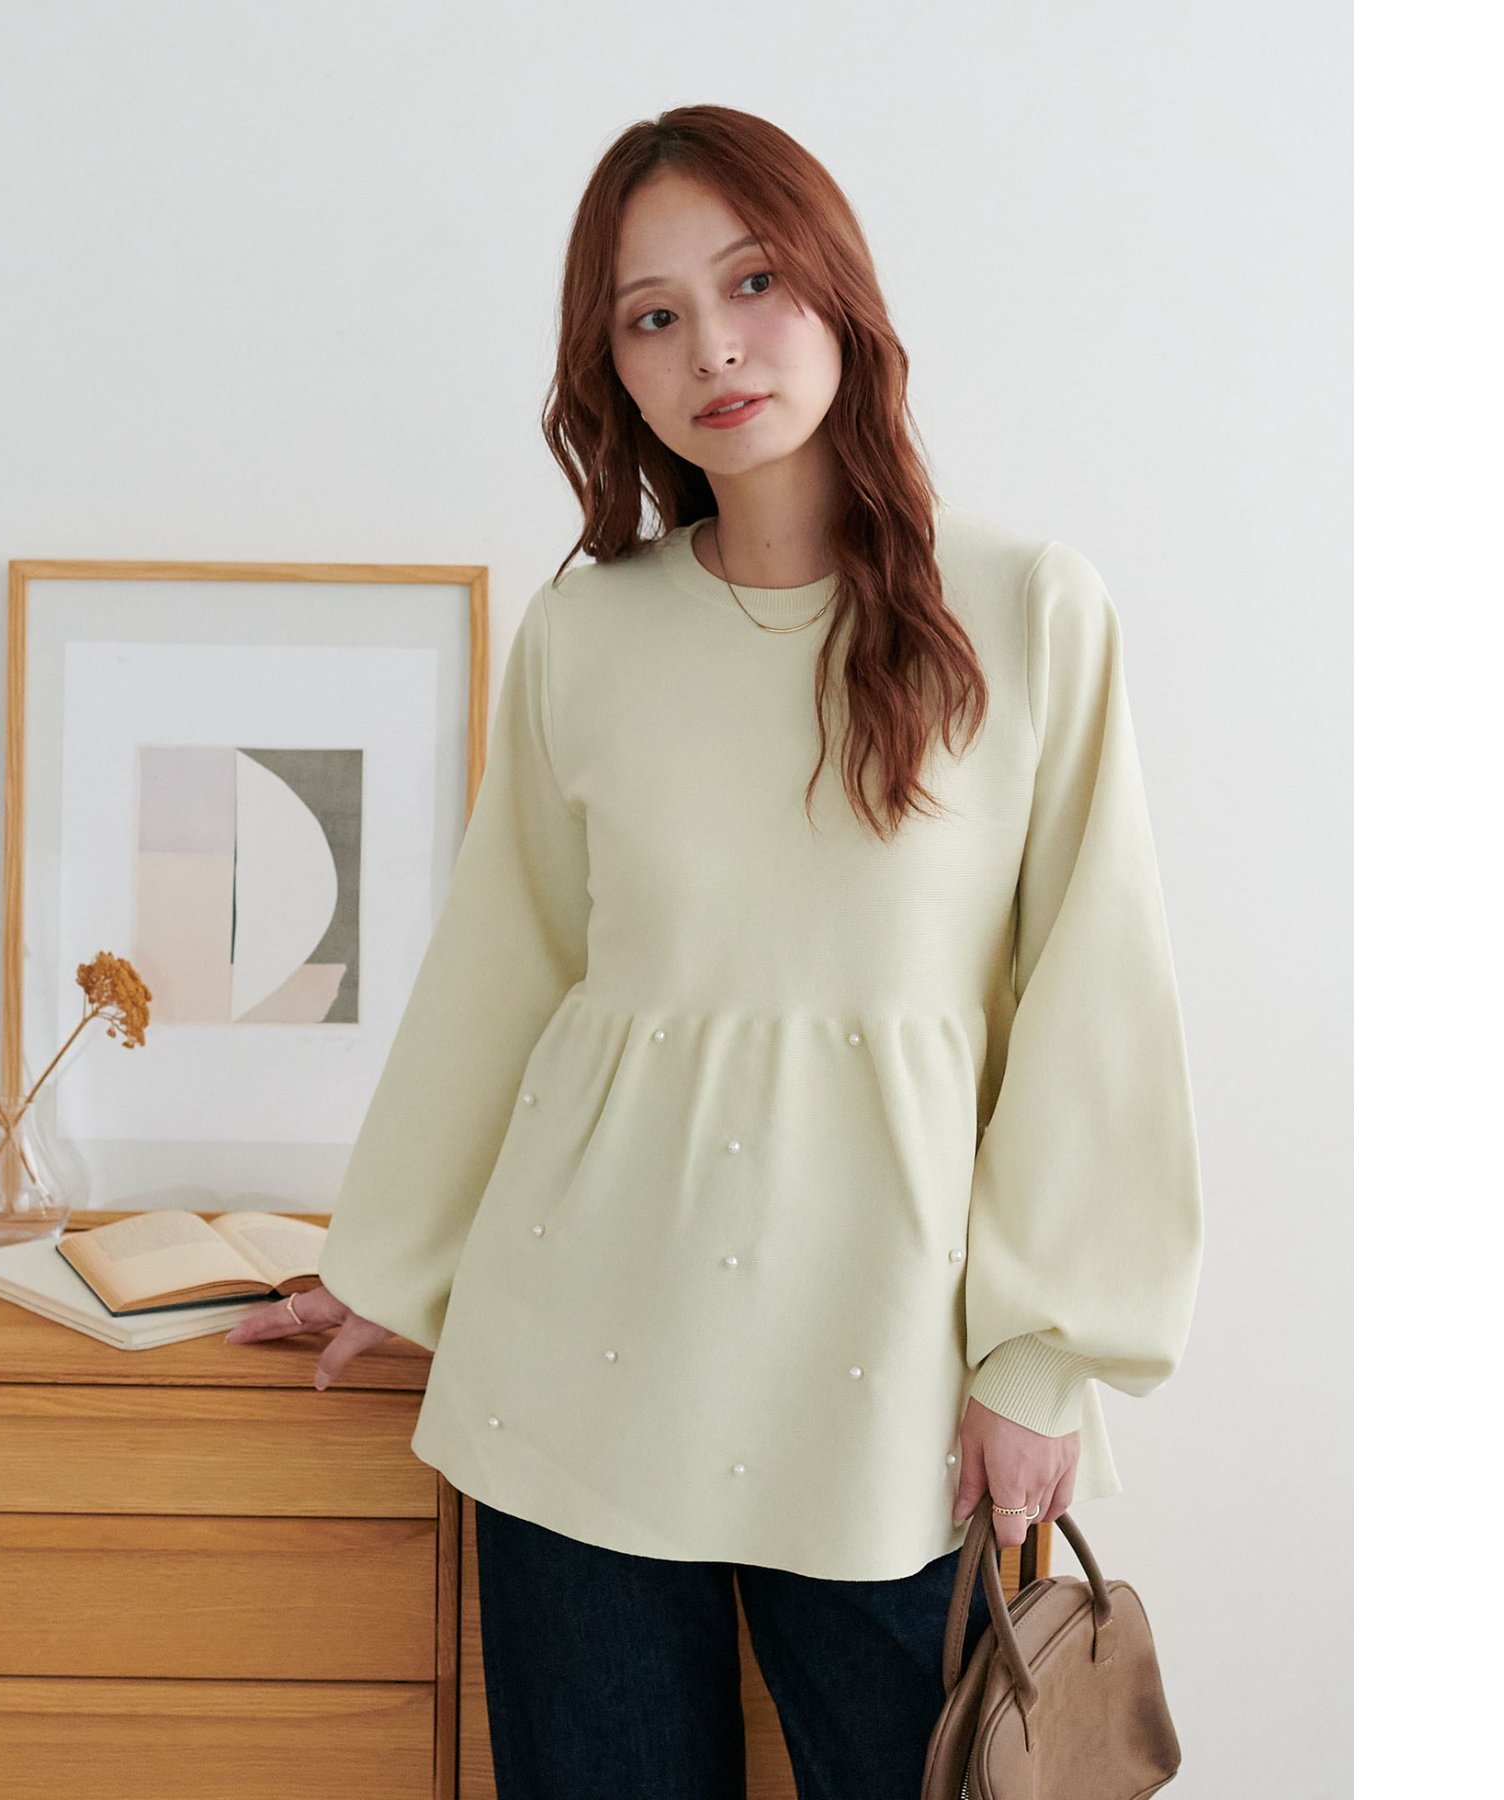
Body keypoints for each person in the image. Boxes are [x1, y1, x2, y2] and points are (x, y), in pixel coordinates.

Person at [226, 103, 1204, 1799]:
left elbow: (1096, 999)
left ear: (838, 289)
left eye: (752, 282)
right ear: (610, 366)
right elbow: (507, 974)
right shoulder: (587, 632)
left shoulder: (1029, 610)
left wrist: (1046, 1356)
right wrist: (391, 1262)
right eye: (652, 315)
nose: (714, 348)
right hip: (579, 1370)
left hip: (890, 1393)